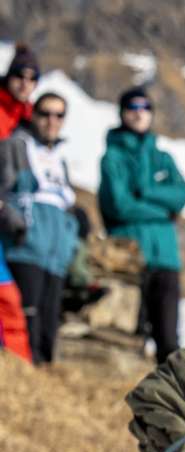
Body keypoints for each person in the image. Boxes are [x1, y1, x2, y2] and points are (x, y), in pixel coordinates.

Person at [97, 87, 185, 359]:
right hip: (129, 258)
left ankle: (168, 387)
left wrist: (146, 192)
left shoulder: (163, 158)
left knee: (169, 341)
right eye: (132, 108)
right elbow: (119, 206)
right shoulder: (112, 158)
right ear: (122, 113)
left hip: (167, 259)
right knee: (128, 335)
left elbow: (181, 195)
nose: (139, 113)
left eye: (145, 107)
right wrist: (163, 211)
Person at [1, 91, 81, 365]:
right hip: (24, 251)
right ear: (33, 115)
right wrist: (18, 227)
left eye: (59, 115)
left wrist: (71, 238)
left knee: (48, 329)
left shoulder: (60, 158)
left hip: (56, 257)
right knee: (26, 328)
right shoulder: (14, 147)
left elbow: (65, 204)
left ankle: (44, 383)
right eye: (45, 113)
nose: (51, 120)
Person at [0, 45, 34, 140]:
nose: (25, 83)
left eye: (32, 78)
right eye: (19, 76)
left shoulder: (32, 113)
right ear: (9, 77)